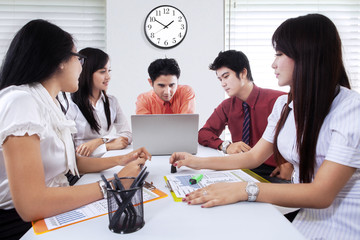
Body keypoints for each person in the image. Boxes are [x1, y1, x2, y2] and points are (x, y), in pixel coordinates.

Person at [170, 14, 360, 239]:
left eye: (279, 54)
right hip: (304, 216)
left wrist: (243, 190)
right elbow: (252, 158)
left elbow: (322, 194)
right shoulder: (285, 104)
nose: (273, 64)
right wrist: (195, 162)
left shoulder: (350, 109)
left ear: (307, 55)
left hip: (340, 225)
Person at [0, 19, 150, 240]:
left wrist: (122, 160)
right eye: (78, 58)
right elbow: (31, 205)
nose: (81, 66)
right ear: (60, 61)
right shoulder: (21, 102)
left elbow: (71, 163)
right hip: (22, 225)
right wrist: (113, 184)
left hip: (50, 208)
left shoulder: (50, 103)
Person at [198, 50, 290, 182]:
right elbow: (203, 133)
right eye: (220, 79)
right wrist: (226, 146)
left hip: (274, 172)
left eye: (226, 76)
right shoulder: (227, 106)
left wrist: (291, 163)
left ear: (243, 73)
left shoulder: (279, 100)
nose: (223, 83)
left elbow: (302, 137)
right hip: (240, 168)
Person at [67, 47, 132, 157]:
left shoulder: (112, 101)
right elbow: (71, 151)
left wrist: (101, 141)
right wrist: (108, 146)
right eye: (102, 72)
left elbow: (127, 134)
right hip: (81, 167)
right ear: (86, 72)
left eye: (109, 71)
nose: (108, 77)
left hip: (106, 160)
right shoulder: (69, 103)